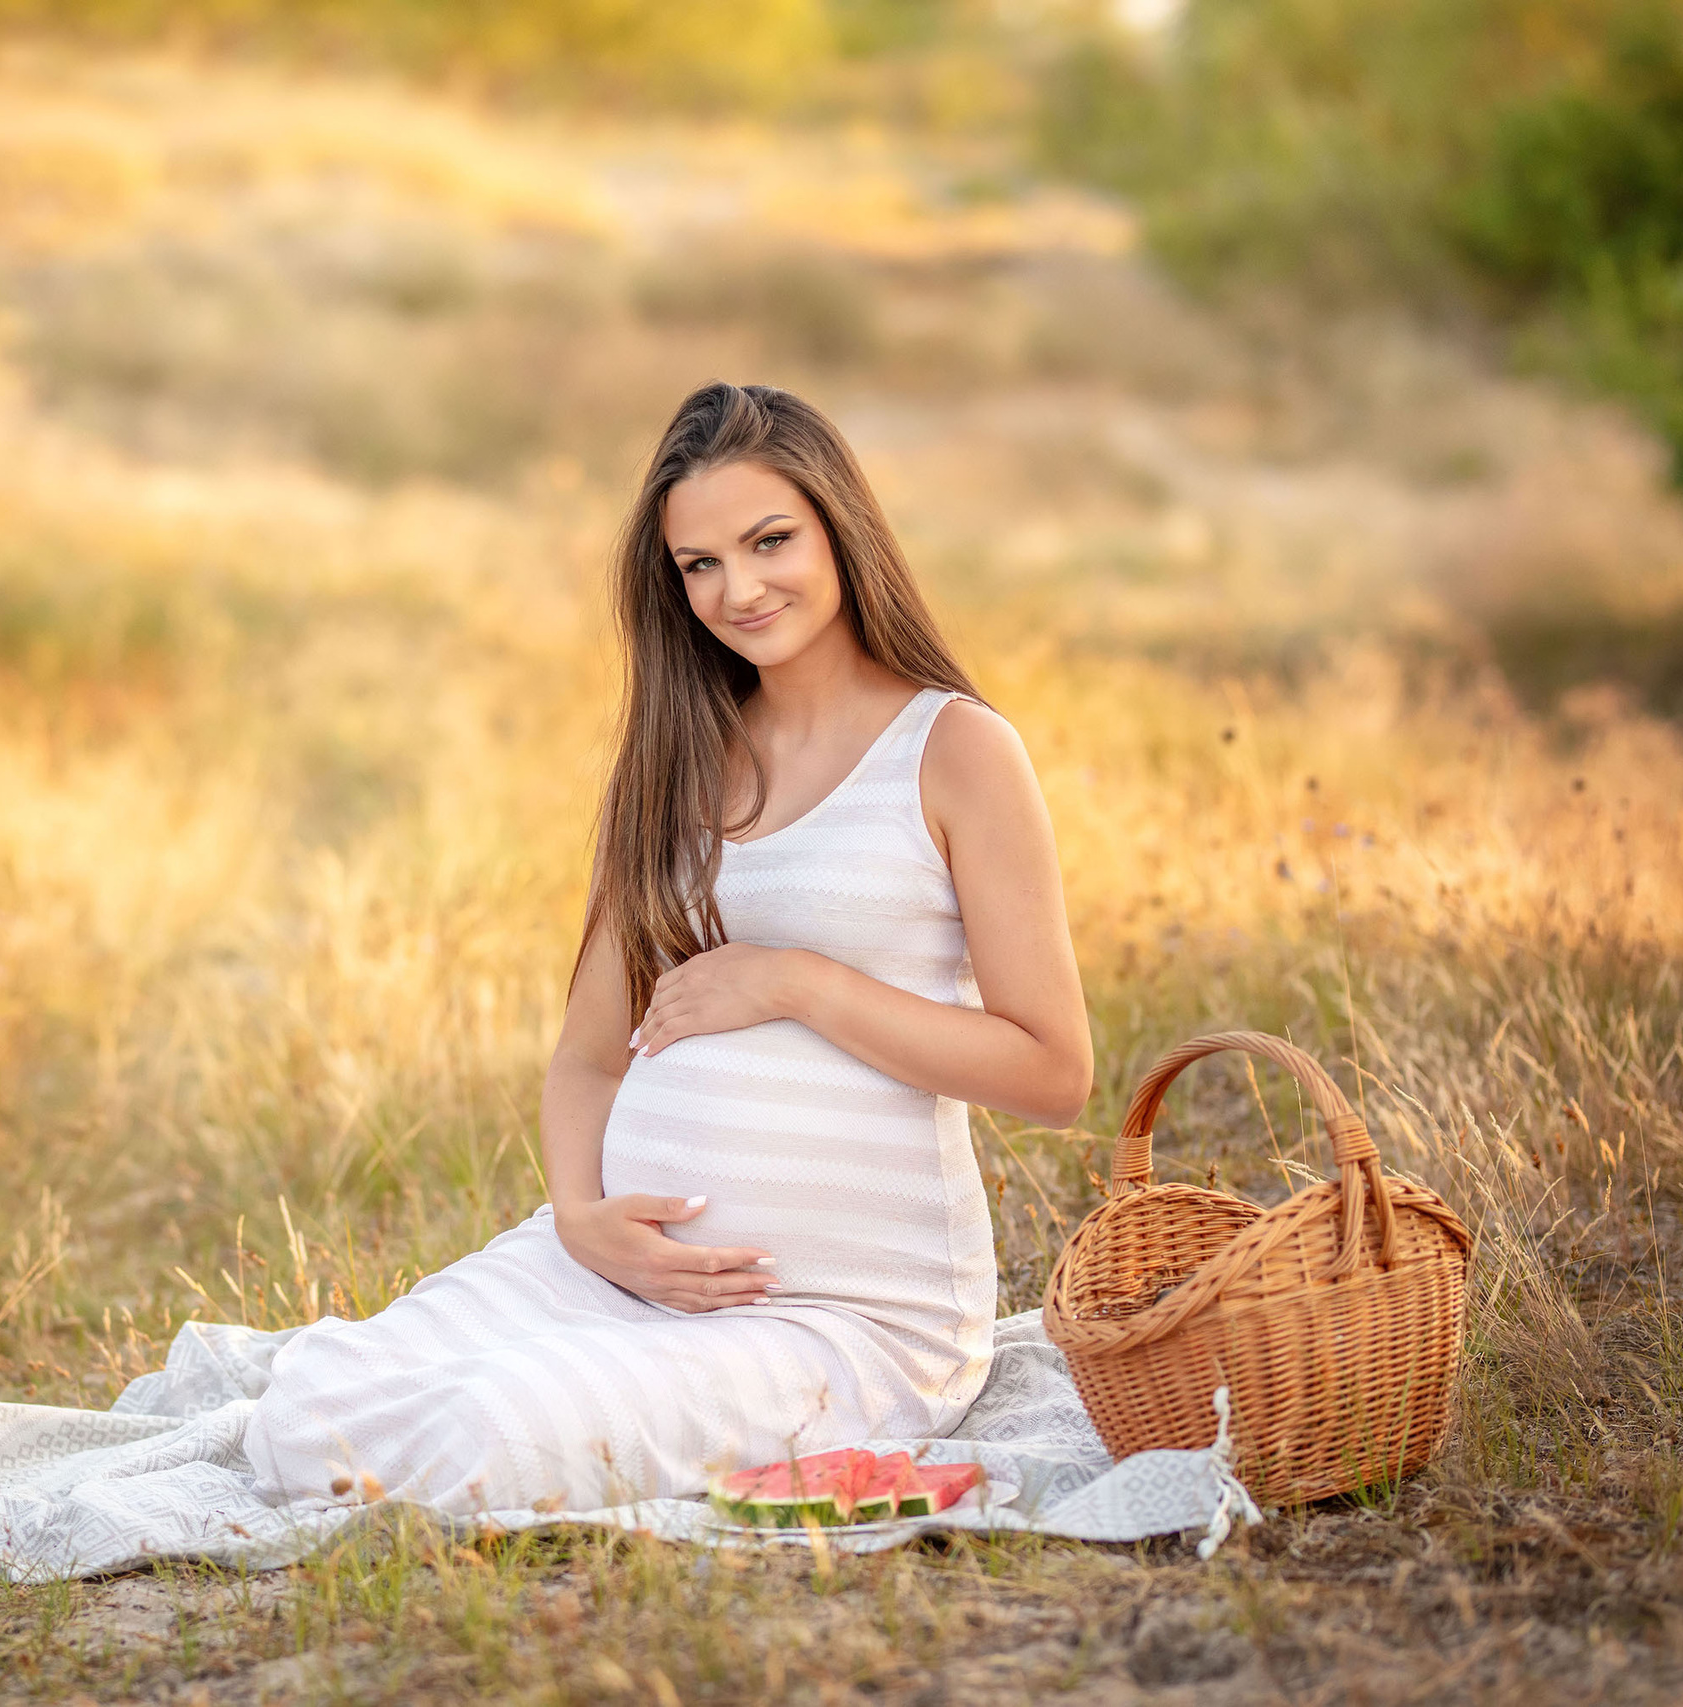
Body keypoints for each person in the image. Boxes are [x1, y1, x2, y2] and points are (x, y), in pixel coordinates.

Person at [242, 381, 1092, 1515]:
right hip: (613, 1274)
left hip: (842, 1320)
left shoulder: (955, 750)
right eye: (698, 565)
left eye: (769, 541)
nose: (738, 590)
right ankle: (561, 1346)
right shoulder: (676, 763)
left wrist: (798, 984)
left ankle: (560, 1397)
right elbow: (589, 1057)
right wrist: (586, 1222)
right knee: (305, 1413)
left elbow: (1053, 1072)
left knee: (489, 1436)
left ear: (840, 526)